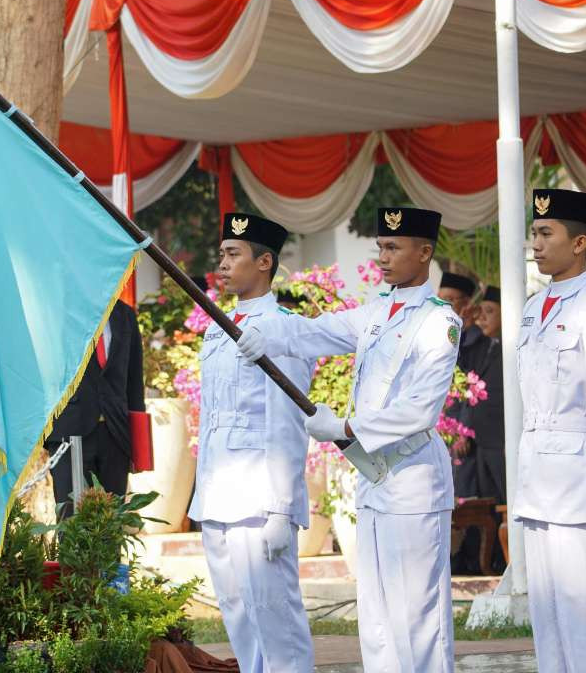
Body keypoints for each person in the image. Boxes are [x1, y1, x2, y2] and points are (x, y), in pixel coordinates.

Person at [238, 207, 461, 672]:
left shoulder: (440, 322)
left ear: (424, 252)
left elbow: (421, 408)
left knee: (418, 616)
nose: (382, 256)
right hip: (375, 479)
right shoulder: (378, 312)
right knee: (377, 615)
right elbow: (314, 332)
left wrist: (345, 429)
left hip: (415, 476)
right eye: (380, 246)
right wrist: (265, 331)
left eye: (394, 247)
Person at [188, 212, 314, 673]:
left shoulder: (282, 329)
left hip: (259, 500)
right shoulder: (218, 326)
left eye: (233, 254)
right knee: (239, 617)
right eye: (221, 253)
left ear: (264, 262)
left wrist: (282, 508)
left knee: (276, 621)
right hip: (218, 496)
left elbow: (287, 424)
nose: (222, 263)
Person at [515, 188, 586, 671]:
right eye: (534, 234)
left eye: (547, 233)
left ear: (580, 243)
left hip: (580, 491)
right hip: (538, 484)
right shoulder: (531, 308)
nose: (536, 244)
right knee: (549, 626)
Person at [45, 300, 145, 517]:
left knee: (111, 523)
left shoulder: (124, 314)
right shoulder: (58, 312)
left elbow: (135, 382)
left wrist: (140, 446)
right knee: (71, 523)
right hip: (69, 431)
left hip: (115, 433)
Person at [439, 272, 483, 499]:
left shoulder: (473, 339)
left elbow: (470, 385)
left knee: (462, 494)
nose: (443, 305)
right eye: (440, 299)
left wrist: (461, 429)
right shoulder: (435, 332)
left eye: (450, 300)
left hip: (460, 430)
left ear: (465, 304)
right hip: (436, 425)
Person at [462, 286, 506, 504]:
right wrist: (465, 326)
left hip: (502, 440)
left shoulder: (512, 347)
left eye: (490, 311)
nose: (483, 318)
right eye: (481, 311)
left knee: (507, 499)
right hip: (480, 439)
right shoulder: (480, 346)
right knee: (487, 503)